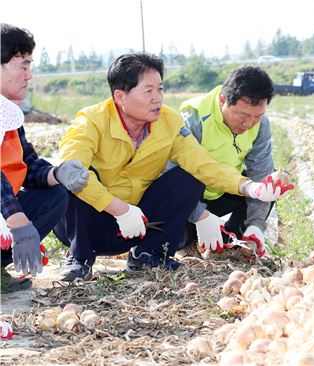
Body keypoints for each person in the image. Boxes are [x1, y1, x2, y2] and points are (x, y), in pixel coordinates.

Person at [54, 53, 291, 281]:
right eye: (148, 91)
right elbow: (70, 172)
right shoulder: (91, 121)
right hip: (92, 223)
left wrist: (250, 188)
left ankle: (150, 253)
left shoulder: (169, 122)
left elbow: (203, 165)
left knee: (189, 177)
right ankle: (79, 258)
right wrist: (119, 209)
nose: (157, 98)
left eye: (160, 89)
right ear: (120, 97)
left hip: (139, 225)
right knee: (79, 176)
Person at [0, 24, 89, 290]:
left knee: (54, 194)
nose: (29, 76)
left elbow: (27, 165)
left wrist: (57, 173)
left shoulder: (9, 114)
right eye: (23, 66)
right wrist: (16, 219)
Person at [178, 65, 288, 258]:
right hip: (188, 196)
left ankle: (236, 237)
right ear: (223, 100)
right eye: (243, 116)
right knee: (177, 239)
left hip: (226, 191)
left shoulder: (260, 125)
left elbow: (261, 175)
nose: (249, 124)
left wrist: (255, 224)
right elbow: (170, 179)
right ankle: (193, 233)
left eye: (257, 116)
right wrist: (200, 216)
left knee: (267, 186)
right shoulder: (194, 120)